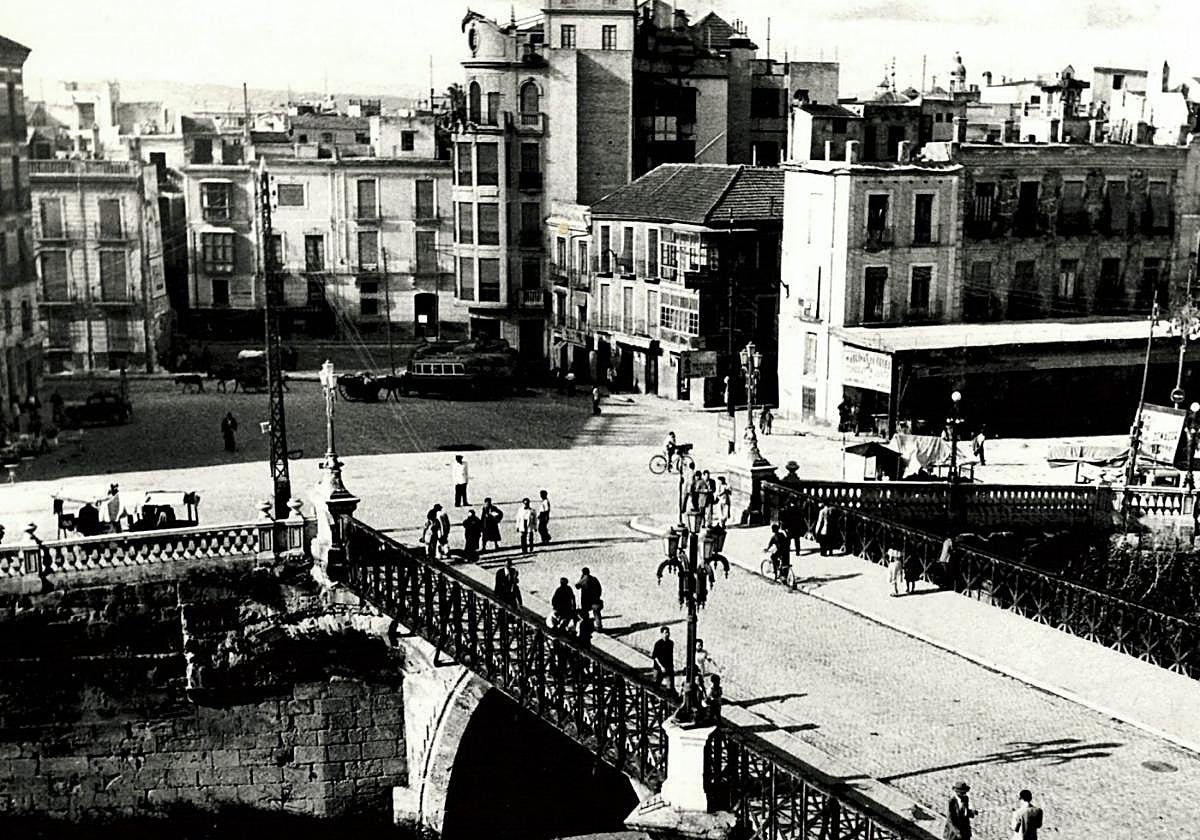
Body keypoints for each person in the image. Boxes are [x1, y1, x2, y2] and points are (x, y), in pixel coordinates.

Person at [651, 626, 675, 694]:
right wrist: (661, 667)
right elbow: (655, 657)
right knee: (656, 685)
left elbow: (670, 655)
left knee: (670, 686)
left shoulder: (671, 643)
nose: (667, 634)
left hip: (668, 667)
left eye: (668, 632)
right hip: (658, 667)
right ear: (661, 634)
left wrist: (671, 666)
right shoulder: (658, 644)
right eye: (665, 633)